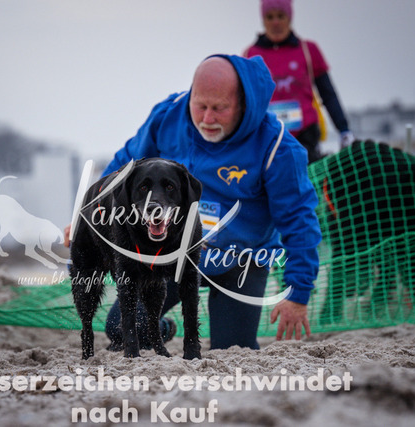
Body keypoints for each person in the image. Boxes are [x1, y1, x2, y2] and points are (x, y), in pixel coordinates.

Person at [68, 54, 321, 350]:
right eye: (200, 106)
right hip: (172, 250)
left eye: (220, 108)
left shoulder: (278, 148)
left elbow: (299, 219)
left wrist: (298, 293)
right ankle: (163, 329)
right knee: (120, 328)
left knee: (233, 351)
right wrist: (91, 215)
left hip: (241, 260)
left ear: (243, 104)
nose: (207, 119)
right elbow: (124, 168)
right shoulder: (168, 116)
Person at [243, 0, 354, 163]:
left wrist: (343, 129)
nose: (275, 22)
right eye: (270, 17)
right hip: (267, 137)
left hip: (305, 135)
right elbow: (245, 101)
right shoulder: (250, 55)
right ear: (263, 20)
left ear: (289, 18)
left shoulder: (308, 50)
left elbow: (328, 94)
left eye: (281, 16)